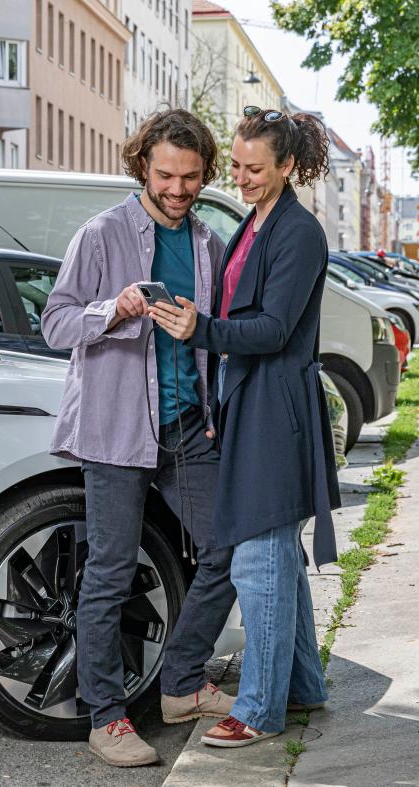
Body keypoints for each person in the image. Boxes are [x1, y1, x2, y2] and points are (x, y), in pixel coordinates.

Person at [42, 109, 236, 767]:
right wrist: (113, 310)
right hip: (117, 427)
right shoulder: (101, 234)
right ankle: (108, 718)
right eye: (166, 176)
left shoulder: (209, 244)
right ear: (142, 167)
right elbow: (56, 324)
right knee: (110, 572)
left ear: (205, 172)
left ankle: (182, 681)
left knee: (228, 547)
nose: (178, 189)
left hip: (187, 425)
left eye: (190, 177)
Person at [150, 105, 341, 748]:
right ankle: (304, 686)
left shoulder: (299, 232)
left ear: (288, 167)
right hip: (248, 404)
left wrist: (199, 328)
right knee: (276, 554)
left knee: (259, 560)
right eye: (236, 165)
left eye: (255, 168)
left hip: (275, 411)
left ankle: (259, 708)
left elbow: (274, 329)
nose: (241, 177)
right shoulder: (257, 223)